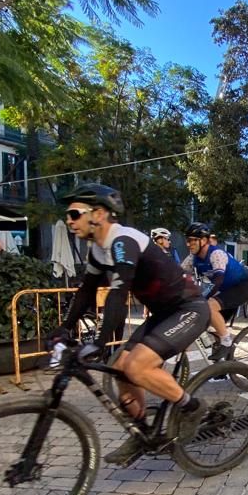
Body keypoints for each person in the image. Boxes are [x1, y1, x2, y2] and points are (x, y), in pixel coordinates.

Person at [52, 184, 210, 466]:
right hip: (163, 314)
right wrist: (65, 328)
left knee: (137, 367)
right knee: (120, 369)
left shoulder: (123, 241)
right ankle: (141, 434)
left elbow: (118, 292)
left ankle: (192, 407)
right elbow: (87, 291)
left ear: (99, 214)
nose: (69, 220)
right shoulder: (98, 251)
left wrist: (99, 342)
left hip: (188, 309)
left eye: (74, 214)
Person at [182, 222, 248, 361]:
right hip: (226, 291)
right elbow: (179, 274)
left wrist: (202, 297)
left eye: (192, 240)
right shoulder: (193, 258)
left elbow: (218, 280)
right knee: (204, 322)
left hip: (242, 287)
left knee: (209, 305)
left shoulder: (216, 254)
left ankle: (226, 343)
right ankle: (224, 364)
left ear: (203, 240)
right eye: (187, 240)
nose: (188, 244)